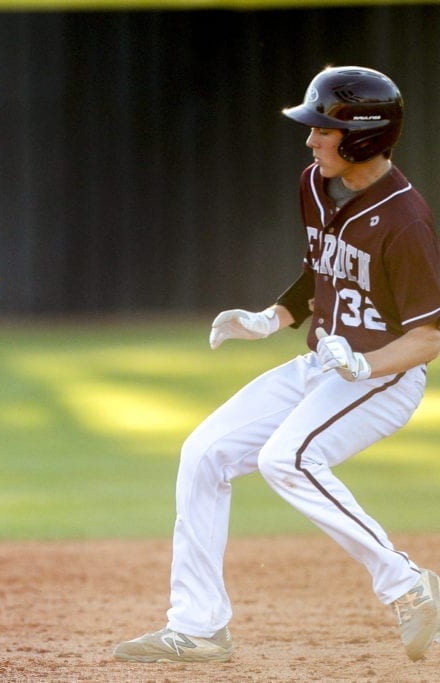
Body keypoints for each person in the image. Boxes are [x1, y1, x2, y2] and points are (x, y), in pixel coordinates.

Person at [114, 66, 440, 664]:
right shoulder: (316, 184)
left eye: (323, 128)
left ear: (363, 136)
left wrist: (366, 369)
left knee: (287, 457)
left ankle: (409, 585)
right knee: (204, 452)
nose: (311, 139)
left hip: (385, 379)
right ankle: (200, 626)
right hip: (322, 365)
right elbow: (324, 271)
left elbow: (428, 336)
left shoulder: (405, 218)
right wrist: (270, 318)